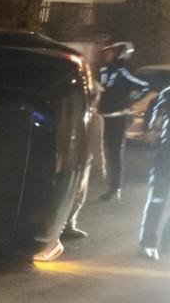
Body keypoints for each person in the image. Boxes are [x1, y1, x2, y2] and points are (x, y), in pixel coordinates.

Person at [97, 42, 149, 201]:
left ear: (120, 53)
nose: (107, 54)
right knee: (96, 152)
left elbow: (144, 86)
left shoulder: (124, 70)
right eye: (106, 51)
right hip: (101, 116)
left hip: (117, 117)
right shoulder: (103, 68)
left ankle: (114, 187)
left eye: (111, 51)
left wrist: (129, 102)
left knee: (114, 154)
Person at [64, 80, 105, 238]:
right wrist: (101, 165)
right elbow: (96, 144)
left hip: (64, 159)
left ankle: (58, 226)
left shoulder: (66, 114)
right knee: (77, 196)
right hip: (82, 162)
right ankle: (67, 226)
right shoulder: (94, 119)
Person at [139, 87, 170, 260]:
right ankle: (148, 243)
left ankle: (167, 241)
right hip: (167, 154)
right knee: (157, 198)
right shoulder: (168, 93)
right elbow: (156, 106)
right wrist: (151, 128)